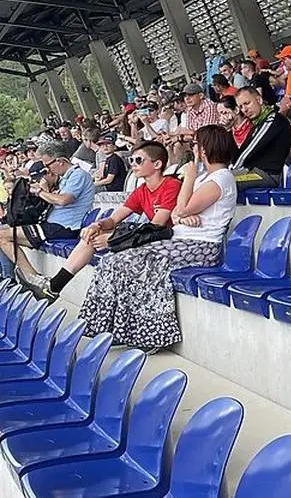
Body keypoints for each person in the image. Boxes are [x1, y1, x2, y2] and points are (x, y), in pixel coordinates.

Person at [78, 125, 238, 352]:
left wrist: (189, 180)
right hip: (183, 239)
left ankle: (151, 333)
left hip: (202, 245)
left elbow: (180, 210)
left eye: (196, 145)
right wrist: (183, 215)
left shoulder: (220, 179)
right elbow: (176, 214)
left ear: (205, 149)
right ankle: (112, 327)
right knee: (113, 261)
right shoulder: (207, 177)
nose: (193, 148)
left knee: (128, 261)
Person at [33, 141, 181, 302]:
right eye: (131, 160)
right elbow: (114, 219)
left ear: (157, 164)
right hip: (152, 238)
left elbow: (157, 226)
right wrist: (97, 225)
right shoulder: (141, 191)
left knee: (110, 257)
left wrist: (111, 239)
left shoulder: (171, 185)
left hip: (172, 239)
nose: (133, 165)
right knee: (93, 236)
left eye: (138, 160)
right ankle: (54, 287)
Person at [1, 140, 96, 285]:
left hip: (62, 227)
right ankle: (29, 278)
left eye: (47, 165)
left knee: (3, 236)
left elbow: (63, 200)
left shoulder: (78, 175)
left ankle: (34, 279)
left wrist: (38, 191)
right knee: (3, 236)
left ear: (60, 161)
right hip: (53, 225)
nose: (47, 170)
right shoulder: (65, 178)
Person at [232, 86, 291, 189]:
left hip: (267, 175)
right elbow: (241, 151)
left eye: (247, 103)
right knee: (215, 180)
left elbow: (248, 151)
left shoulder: (273, 120)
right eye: (241, 107)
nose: (244, 110)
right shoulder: (257, 124)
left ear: (259, 100)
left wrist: (231, 170)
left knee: (222, 181)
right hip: (251, 172)